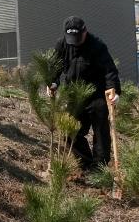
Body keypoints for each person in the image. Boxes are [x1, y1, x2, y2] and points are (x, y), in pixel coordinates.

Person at [50, 17, 121, 173]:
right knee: (69, 131)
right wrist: (53, 82)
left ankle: (99, 168)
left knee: (100, 132)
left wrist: (114, 90)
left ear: (85, 32)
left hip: (96, 95)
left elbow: (110, 71)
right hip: (74, 96)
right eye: (71, 39)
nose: (74, 42)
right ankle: (86, 163)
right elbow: (54, 67)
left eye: (78, 38)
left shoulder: (97, 46)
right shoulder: (62, 45)